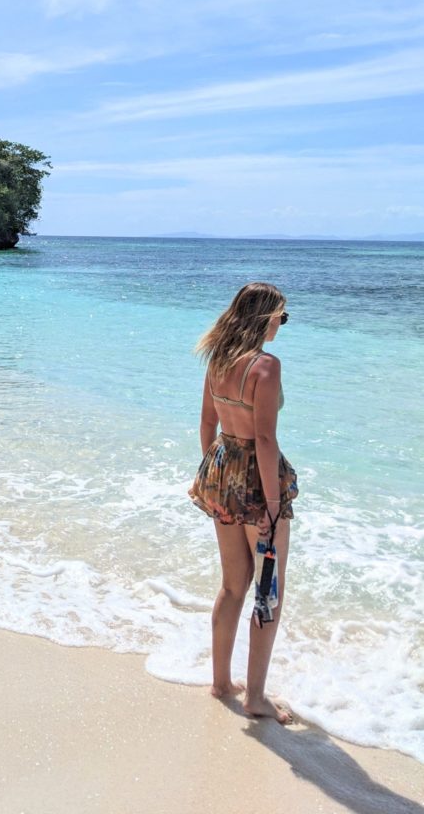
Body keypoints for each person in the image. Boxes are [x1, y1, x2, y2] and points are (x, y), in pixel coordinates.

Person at [188, 282, 298, 723]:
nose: (281, 325)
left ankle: (220, 683)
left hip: (221, 471)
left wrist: (214, 474)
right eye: (281, 317)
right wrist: (271, 505)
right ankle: (254, 696)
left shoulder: (218, 359)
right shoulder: (264, 367)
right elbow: (266, 438)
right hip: (257, 479)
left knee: (234, 585)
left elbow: (207, 422)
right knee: (269, 590)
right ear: (263, 317)